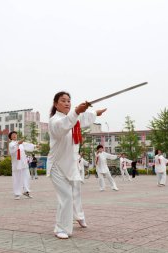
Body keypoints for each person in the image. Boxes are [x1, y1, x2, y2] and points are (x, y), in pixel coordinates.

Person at [47, 91, 106, 239]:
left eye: (69, 100)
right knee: (66, 196)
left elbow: (82, 117)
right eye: (63, 100)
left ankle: (78, 216)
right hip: (57, 166)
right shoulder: (55, 121)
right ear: (56, 104)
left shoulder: (74, 119)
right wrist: (77, 111)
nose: (67, 103)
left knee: (74, 193)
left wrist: (94, 113)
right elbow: (65, 125)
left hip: (71, 165)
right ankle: (60, 228)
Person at [8, 131, 36, 200]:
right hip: (16, 165)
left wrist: (35, 146)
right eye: (13, 135)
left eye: (15, 134)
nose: (14, 136)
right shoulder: (11, 144)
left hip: (23, 163)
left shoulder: (21, 144)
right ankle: (17, 194)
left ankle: (26, 191)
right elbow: (12, 150)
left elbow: (27, 145)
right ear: (10, 137)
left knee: (26, 177)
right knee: (17, 179)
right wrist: (18, 143)